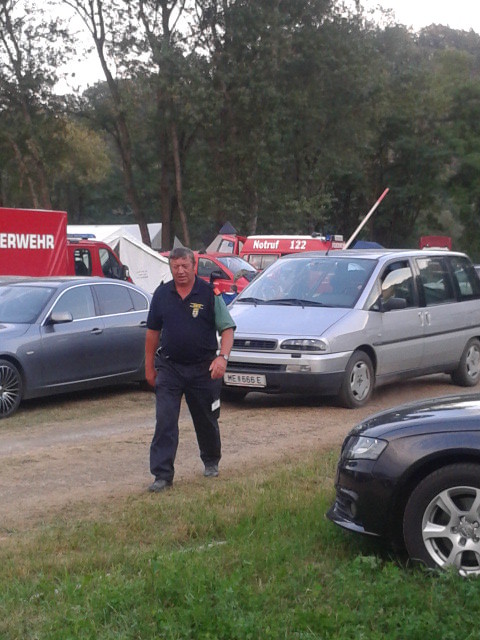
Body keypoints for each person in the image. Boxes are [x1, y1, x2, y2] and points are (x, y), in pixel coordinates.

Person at [145, 247, 236, 492]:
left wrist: (222, 358)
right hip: (170, 367)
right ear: (170, 268)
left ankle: (211, 460)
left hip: (202, 368)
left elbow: (227, 328)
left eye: (185, 266)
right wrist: (149, 368)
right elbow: (152, 333)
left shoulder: (209, 294)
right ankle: (162, 475)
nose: (181, 271)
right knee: (165, 420)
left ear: (194, 266)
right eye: (176, 267)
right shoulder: (162, 294)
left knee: (206, 419)